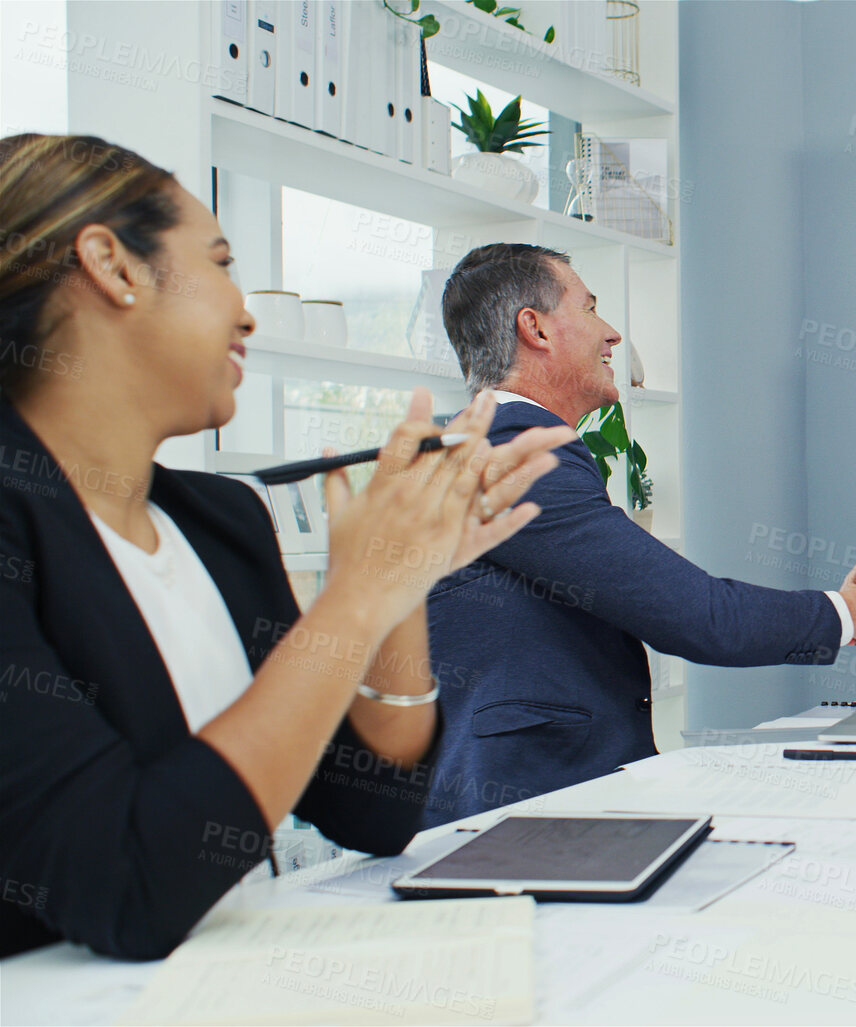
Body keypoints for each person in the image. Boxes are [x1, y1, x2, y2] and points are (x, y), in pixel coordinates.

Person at [0, 134, 572, 959]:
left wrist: (399, 587)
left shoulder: (220, 518)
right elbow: (126, 886)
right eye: (221, 262)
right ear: (114, 266)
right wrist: (357, 594)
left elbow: (372, 810)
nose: (247, 310)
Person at [423, 243, 856, 824]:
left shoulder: (483, 444)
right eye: (589, 309)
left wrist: (847, 611)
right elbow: (701, 617)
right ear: (534, 328)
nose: (611, 333)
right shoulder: (513, 454)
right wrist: (852, 612)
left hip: (537, 802)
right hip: (527, 811)